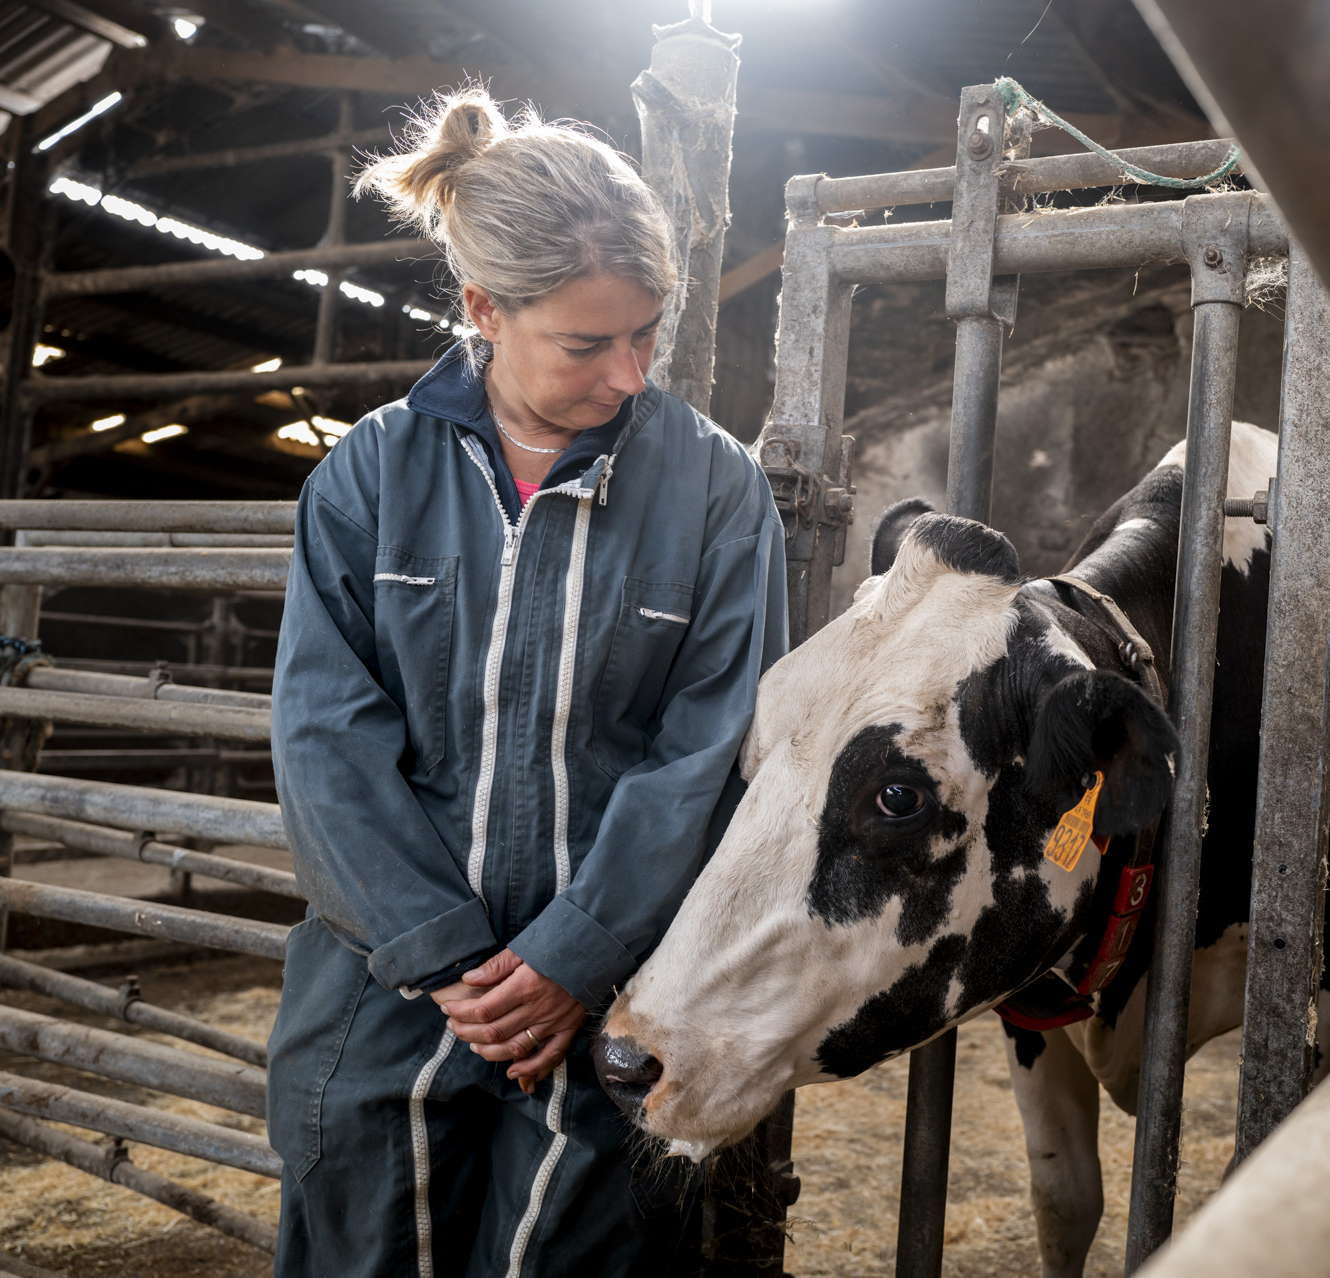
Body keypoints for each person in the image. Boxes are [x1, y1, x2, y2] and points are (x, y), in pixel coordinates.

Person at [266, 86, 787, 1278]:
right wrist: (443, 955)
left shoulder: (716, 493)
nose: (630, 375)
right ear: (484, 310)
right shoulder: (367, 478)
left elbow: (707, 750)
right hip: (385, 998)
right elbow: (325, 736)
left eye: (647, 333)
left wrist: (573, 952)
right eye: (587, 345)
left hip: (613, 1001)